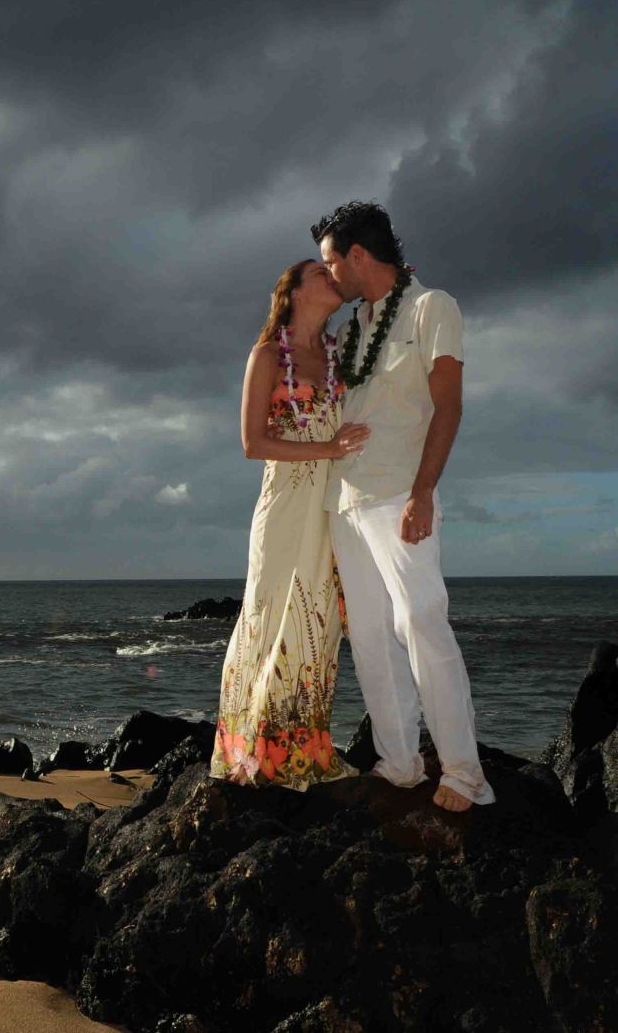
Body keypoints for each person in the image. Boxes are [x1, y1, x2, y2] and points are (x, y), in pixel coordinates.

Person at [313, 201, 495, 810]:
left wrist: (422, 493)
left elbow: (449, 405)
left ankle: (464, 772)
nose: (329, 275)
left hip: (399, 494)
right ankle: (399, 761)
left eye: (330, 263)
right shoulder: (350, 333)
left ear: (358, 255)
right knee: (368, 634)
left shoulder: (431, 308)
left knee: (420, 621)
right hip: (344, 500)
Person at [209, 259, 370, 790]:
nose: (332, 276)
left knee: (318, 622)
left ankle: (304, 750)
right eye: (320, 273)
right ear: (295, 292)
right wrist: (328, 448)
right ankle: (253, 750)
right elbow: (252, 443)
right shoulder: (266, 356)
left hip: (333, 505)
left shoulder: (339, 355)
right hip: (284, 505)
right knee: (271, 613)